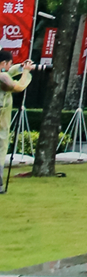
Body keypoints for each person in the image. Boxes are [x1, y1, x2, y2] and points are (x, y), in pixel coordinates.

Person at [0, 46, 34, 182]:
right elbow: (19, 87)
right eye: (9, 64)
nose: (10, 66)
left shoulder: (3, 74)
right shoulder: (3, 78)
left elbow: (8, 72)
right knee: (1, 146)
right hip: (1, 116)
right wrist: (25, 72)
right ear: (3, 63)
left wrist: (20, 67)